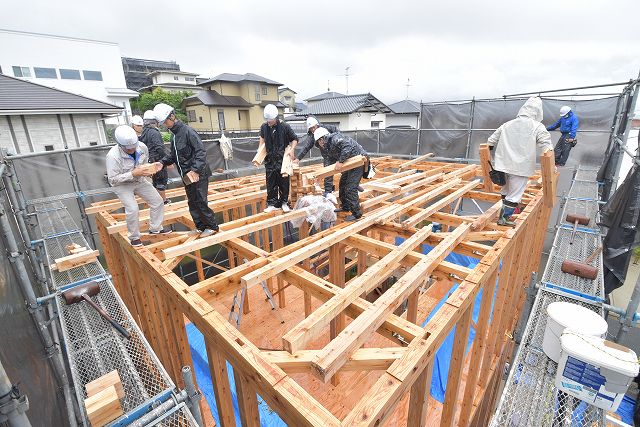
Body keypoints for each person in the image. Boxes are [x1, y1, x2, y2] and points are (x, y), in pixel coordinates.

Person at [153, 103, 219, 237]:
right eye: (163, 123)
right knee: (192, 201)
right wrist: (162, 163)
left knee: (200, 199)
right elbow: (173, 155)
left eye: (166, 121)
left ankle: (212, 226)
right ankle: (200, 227)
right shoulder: (174, 136)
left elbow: (201, 152)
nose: (165, 125)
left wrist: (195, 170)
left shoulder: (188, 131)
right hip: (186, 175)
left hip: (198, 173)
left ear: (172, 116)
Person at [487, 97, 553, 226]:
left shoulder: (507, 124)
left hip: (502, 165)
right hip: (520, 168)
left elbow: (490, 143)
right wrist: (552, 166)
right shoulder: (537, 126)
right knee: (515, 194)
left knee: (506, 190)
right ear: (538, 112)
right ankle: (504, 219)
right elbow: (547, 148)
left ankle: (504, 212)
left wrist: (489, 162)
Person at [105, 125, 171, 247]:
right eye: (128, 149)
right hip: (122, 184)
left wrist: (149, 169)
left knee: (158, 201)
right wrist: (132, 173)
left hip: (140, 180)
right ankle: (134, 237)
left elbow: (144, 163)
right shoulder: (113, 156)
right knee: (133, 208)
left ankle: (155, 228)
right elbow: (113, 179)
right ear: (120, 145)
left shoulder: (142, 147)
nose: (132, 150)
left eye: (133, 147)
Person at [313, 127, 368, 221]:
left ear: (321, 139)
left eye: (318, 142)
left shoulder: (335, 139)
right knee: (342, 184)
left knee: (350, 188)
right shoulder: (328, 149)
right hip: (349, 164)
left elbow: (348, 146)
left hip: (358, 161)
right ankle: (346, 206)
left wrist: (341, 161)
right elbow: (328, 166)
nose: (319, 145)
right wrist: (326, 187)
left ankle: (357, 214)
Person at [258, 104, 298, 212]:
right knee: (271, 182)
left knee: (283, 182)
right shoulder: (264, 127)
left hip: (282, 159)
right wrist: (259, 152)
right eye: (267, 119)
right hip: (270, 159)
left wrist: (292, 149)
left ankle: (284, 202)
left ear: (276, 117)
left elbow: (294, 139)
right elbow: (262, 139)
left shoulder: (285, 127)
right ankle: (272, 204)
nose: (269, 121)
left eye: (270, 119)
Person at [294, 117, 338, 201]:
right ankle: (328, 192)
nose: (313, 130)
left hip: (336, 152)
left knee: (344, 169)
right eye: (311, 129)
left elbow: (338, 134)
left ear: (317, 125)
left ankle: (353, 185)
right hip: (327, 156)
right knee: (327, 173)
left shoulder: (328, 128)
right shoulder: (312, 136)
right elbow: (306, 148)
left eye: (313, 127)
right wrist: (297, 159)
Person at [139, 110, 170, 204]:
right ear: (154, 121)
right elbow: (159, 148)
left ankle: (157, 201)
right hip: (157, 160)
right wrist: (167, 161)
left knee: (155, 181)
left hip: (149, 160)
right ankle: (163, 201)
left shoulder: (144, 132)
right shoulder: (154, 132)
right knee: (161, 180)